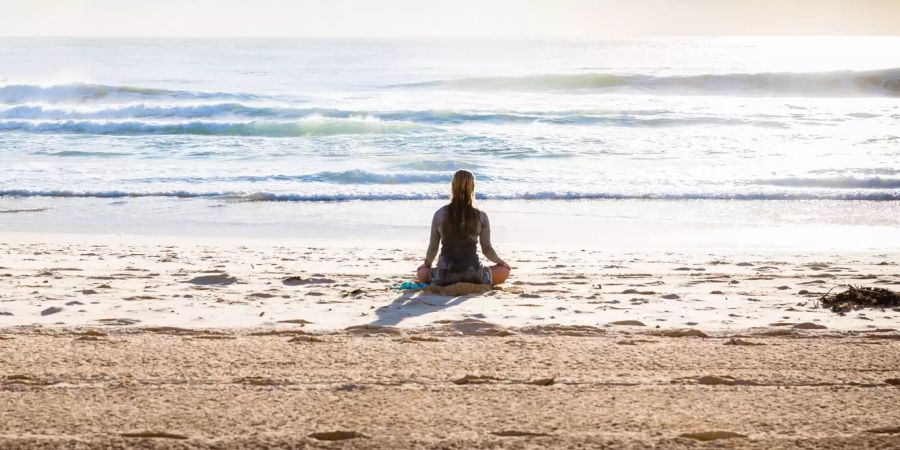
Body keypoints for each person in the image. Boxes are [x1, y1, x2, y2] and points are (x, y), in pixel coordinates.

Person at [416, 170, 511, 286]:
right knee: (505, 270)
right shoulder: (481, 216)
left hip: (445, 276)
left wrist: (427, 264)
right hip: (474, 275)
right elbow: (486, 249)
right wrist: (501, 262)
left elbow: (433, 248)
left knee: (421, 272)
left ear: (452, 187)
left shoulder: (440, 214)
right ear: (472, 187)